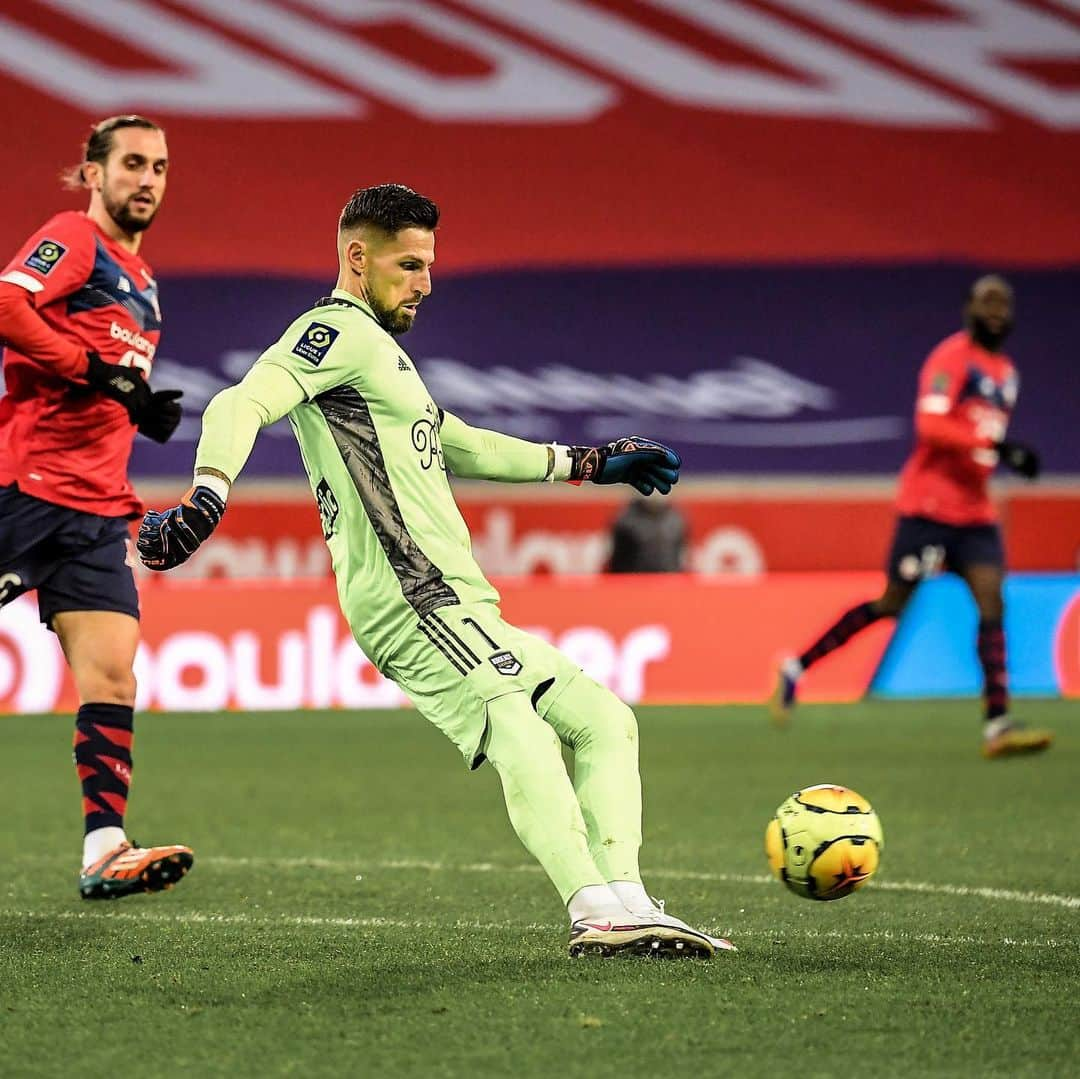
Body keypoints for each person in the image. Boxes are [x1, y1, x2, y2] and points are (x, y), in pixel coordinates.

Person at [138, 183, 734, 959]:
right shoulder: (331, 332)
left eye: (428, 264)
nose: (426, 281)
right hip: (407, 594)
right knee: (516, 722)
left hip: (462, 601)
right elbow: (241, 402)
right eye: (409, 264)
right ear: (357, 257)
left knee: (604, 720)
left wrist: (591, 461)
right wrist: (206, 498)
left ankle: (627, 899)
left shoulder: (384, 358)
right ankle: (592, 907)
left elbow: (466, 445)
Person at [0, 116, 193, 898]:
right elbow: (9, 306)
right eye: (132, 164)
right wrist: (94, 370)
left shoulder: (144, 285)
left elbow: (110, 378)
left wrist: (136, 404)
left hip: (95, 514)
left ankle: (105, 846)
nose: (147, 179)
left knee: (112, 676)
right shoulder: (74, 239)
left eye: (160, 167)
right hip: (26, 492)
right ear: (93, 173)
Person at [769, 275, 1052, 760]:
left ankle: (997, 723)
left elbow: (983, 434)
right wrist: (996, 446)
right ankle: (797, 667)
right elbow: (931, 424)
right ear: (969, 308)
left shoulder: (1007, 372)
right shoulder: (951, 358)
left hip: (976, 513)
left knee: (992, 602)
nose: (996, 311)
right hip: (930, 510)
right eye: (987, 302)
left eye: (1003, 304)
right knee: (890, 605)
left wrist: (1009, 458)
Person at [608, 494, 687, 573]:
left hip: (668, 579)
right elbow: (616, 559)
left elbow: (681, 555)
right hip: (635, 579)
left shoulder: (676, 519)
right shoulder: (624, 520)